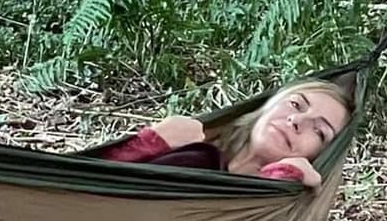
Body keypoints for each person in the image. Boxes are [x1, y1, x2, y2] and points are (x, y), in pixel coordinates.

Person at [101, 79, 351, 188]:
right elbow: (86, 185)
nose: (296, 120)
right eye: (296, 104)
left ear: (321, 154)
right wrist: (150, 144)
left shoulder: (281, 209)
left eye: (319, 131)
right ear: (268, 105)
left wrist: (284, 178)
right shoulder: (195, 152)